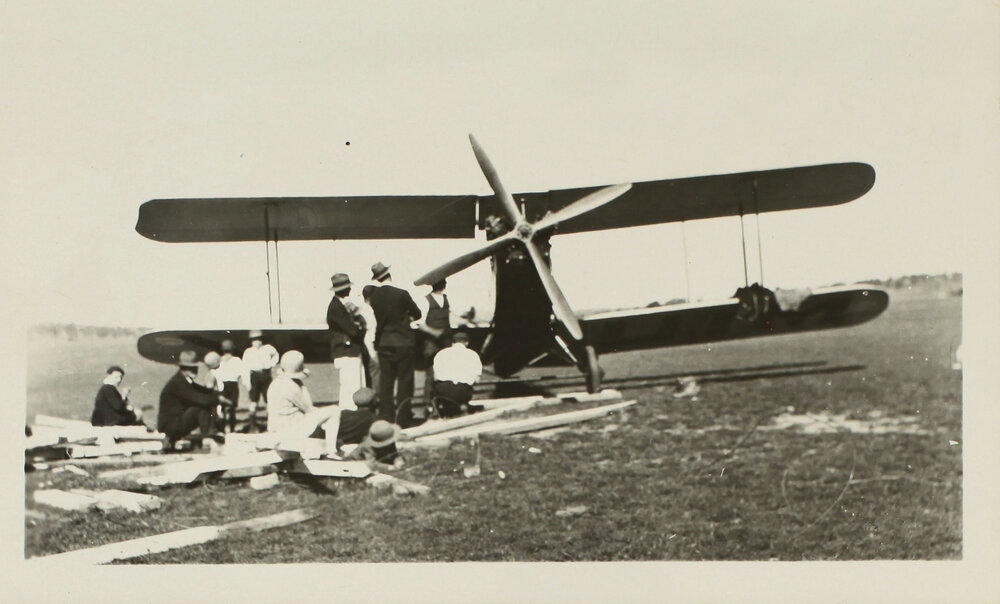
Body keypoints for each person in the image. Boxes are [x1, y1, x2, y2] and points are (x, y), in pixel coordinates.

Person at [266, 350, 371, 456]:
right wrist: (302, 384)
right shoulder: (292, 387)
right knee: (334, 411)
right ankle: (331, 450)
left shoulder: (275, 384)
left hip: (278, 428)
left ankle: (329, 445)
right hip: (291, 430)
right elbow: (309, 408)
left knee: (323, 418)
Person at [366, 261, 422, 424]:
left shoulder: (374, 297)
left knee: (386, 382)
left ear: (377, 279)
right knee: (405, 381)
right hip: (403, 341)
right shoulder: (401, 294)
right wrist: (406, 317)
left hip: (384, 342)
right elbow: (417, 313)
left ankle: (386, 417)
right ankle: (403, 418)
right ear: (389, 275)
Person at [157, 350, 233, 448]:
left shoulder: (183, 380)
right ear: (183, 368)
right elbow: (200, 399)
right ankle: (209, 437)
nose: (195, 370)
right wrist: (219, 400)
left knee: (204, 404)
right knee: (201, 407)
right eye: (191, 368)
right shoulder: (178, 383)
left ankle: (211, 434)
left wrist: (219, 395)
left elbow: (201, 391)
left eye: (195, 367)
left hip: (175, 423)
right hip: (170, 427)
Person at [327, 273, 365, 410]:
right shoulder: (337, 307)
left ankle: (349, 412)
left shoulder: (339, 305)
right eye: (347, 287)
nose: (350, 290)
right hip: (346, 351)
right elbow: (353, 331)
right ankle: (349, 412)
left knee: (350, 385)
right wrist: (360, 325)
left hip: (345, 351)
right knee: (351, 386)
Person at [417, 278, 453, 406]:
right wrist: (434, 332)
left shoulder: (447, 298)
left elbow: (451, 315)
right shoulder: (425, 300)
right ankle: (428, 403)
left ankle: (445, 399)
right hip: (431, 341)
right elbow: (419, 322)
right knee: (431, 371)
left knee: (447, 369)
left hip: (446, 339)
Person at [431, 332, 483, 417]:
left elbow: (435, 377)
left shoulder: (441, 353)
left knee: (435, 383)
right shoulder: (473, 354)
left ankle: (438, 407)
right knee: (467, 385)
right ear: (467, 342)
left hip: (443, 392)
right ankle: (462, 404)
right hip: (462, 392)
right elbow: (477, 379)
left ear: (452, 342)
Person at [242, 330, 279, 431]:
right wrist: (247, 383)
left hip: (265, 374)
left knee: (269, 399)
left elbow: (276, 356)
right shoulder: (248, 351)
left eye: (259, 339)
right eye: (254, 340)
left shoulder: (268, 348)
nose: (257, 342)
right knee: (253, 400)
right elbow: (245, 368)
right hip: (254, 375)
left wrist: (271, 364)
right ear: (251, 341)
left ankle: (271, 424)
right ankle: (252, 424)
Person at [215, 339, 245, 432]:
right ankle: (232, 429)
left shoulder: (219, 360)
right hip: (233, 384)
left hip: (222, 385)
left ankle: (222, 429)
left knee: (222, 407)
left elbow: (216, 373)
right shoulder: (237, 360)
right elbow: (241, 373)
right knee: (232, 408)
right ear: (233, 349)